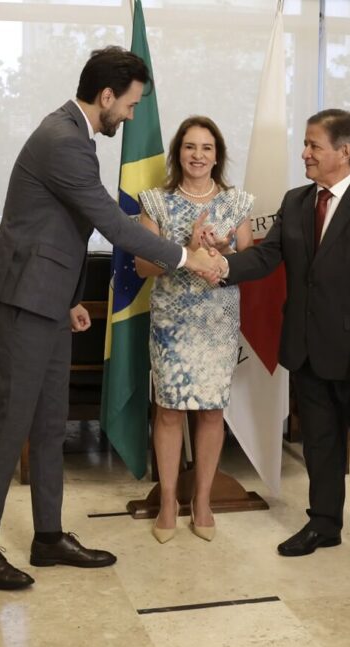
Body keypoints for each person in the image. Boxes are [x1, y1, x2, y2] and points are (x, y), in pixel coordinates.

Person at [0, 46, 222, 591]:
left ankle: (48, 537)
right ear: (106, 96)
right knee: (13, 425)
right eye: (128, 106)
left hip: (47, 298)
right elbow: (110, 221)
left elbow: (53, 228)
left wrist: (69, 296)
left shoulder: (73, 135)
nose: (129, 117)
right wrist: (185, 257)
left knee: (51, 425)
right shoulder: (63, 141)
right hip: (25, 302)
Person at [218, 109, 350, 569]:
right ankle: (324, 523)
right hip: (305, 349)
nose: (304, 153)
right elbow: (266, 258)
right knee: (319, 444)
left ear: (344, 152)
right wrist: (223, 266)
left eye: (313, 145)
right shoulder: (297, 201)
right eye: (305, 144)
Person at [135, 116, 253, 543]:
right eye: (189, 147)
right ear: (177, 153)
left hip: (217, 321)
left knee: (211, 410)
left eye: (206, 147)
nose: (198, 155)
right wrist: (187, 251)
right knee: (168, 410)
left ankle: (202, 501)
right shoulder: (156, 202)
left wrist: (222, 252)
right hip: (172, 321)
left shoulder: (237, 202)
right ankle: (169, 501)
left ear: (217, 154)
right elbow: (142, 265)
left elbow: (247, 264)